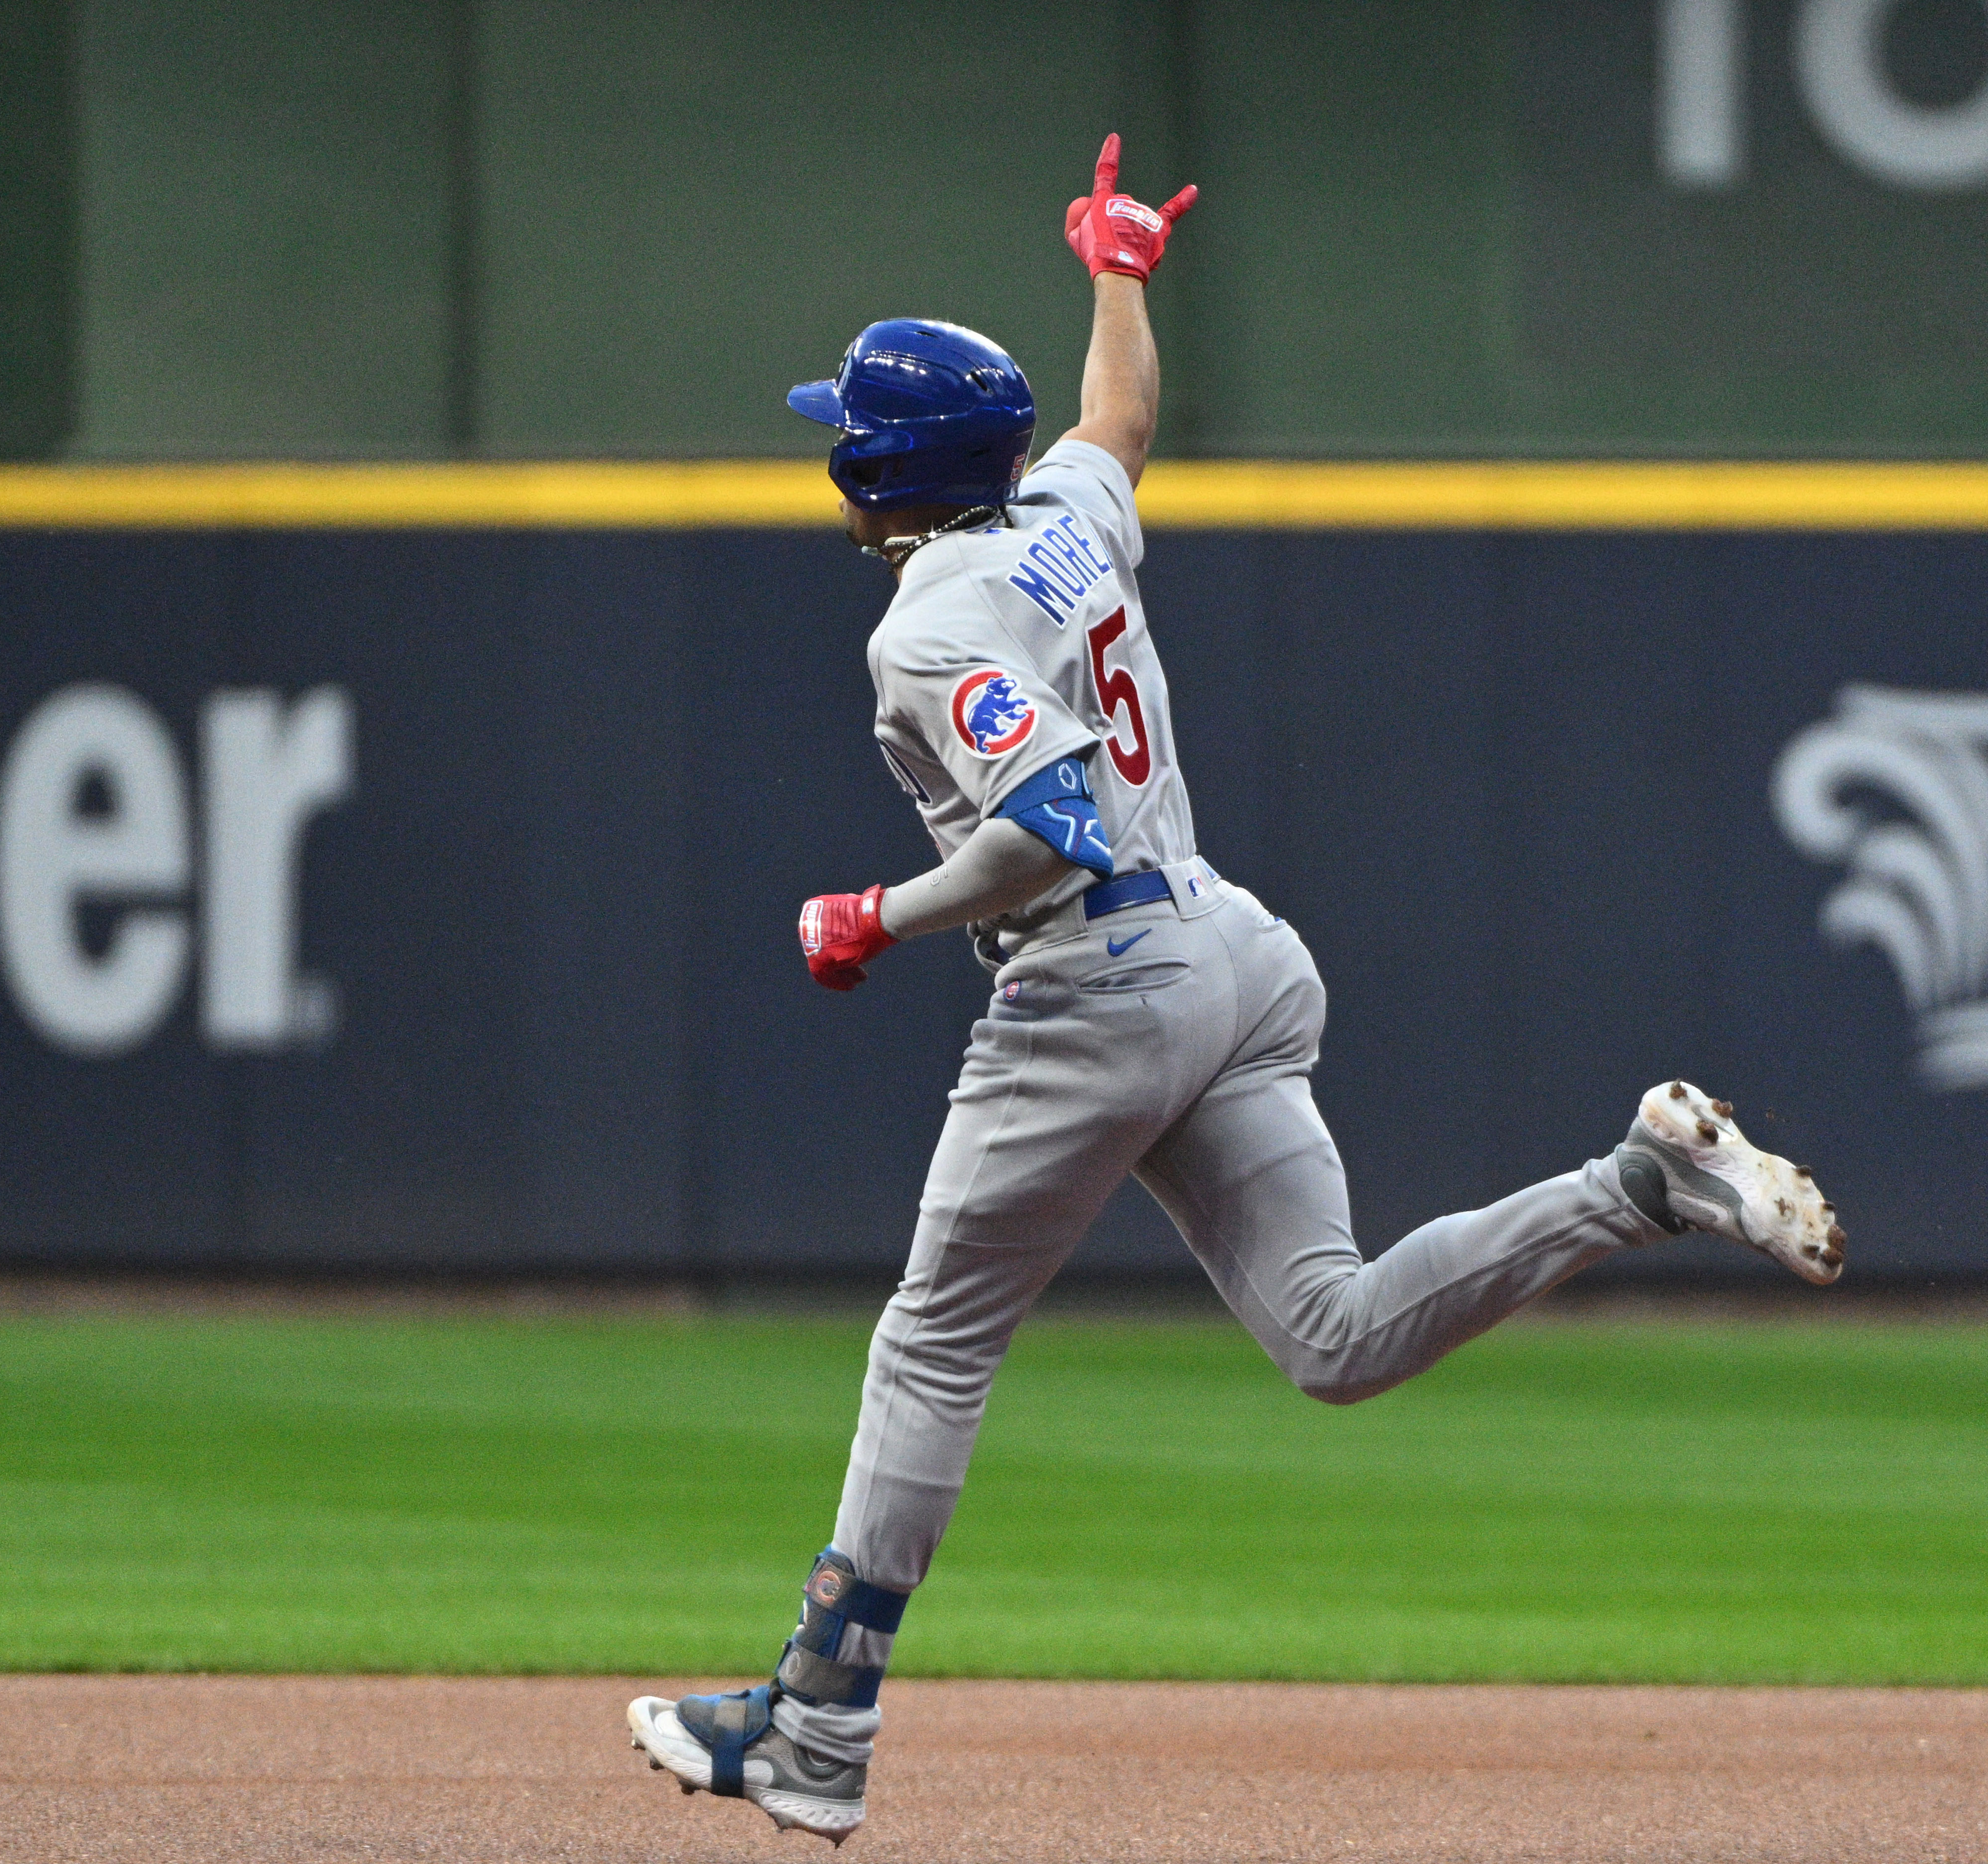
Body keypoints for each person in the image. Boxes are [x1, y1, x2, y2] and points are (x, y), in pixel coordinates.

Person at [627, 133, 1845, 1846]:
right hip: (1235, 952)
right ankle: (1637, 1186)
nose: (830, 450)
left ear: (879, 469)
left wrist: (878, 916)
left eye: (843, 430)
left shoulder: (925, 626)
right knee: (1334, 1339)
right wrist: (1117, 267)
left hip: (1099, 977)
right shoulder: (1055, 517)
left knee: (936, 1339)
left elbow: (1044, 825)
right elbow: (1117, 421)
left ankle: (819, 1725)